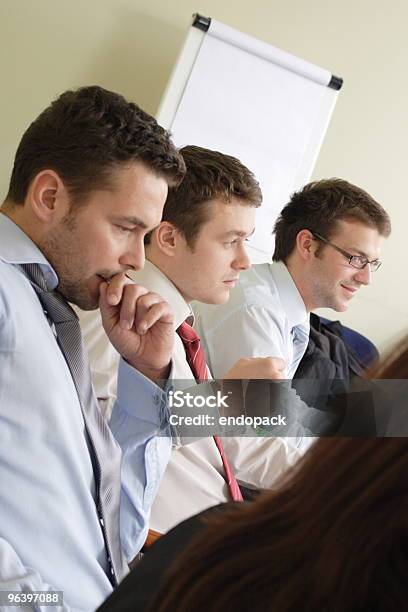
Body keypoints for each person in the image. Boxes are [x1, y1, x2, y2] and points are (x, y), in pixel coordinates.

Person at [0, 87, 278, 612]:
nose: (134, 256)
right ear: (50, 196)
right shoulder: (78, 309)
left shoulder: (73, 311)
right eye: (127, 228)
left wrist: (149, 379)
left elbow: (101, 509)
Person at [78, 145, 303, 535]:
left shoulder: (180, 324)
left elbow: (232, 444)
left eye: (246, 241)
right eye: (230, 241)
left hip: (211, 541)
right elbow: (100, 442)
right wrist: (225, 399)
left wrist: (334, 473)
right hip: (156, 556)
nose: (245, 261)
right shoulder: (116, 316)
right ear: (168, 238)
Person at [97, 336, 408, 612]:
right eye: (358, 263)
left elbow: (240, 439)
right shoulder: (131, 325)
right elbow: (107, 435)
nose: (246, 265)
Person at [194, 178, 391, 380]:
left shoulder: (291, 312)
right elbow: (258, 411)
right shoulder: (257, 310)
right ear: (307, 245)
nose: (366, 278)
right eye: (356, 259)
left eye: (372, 263)